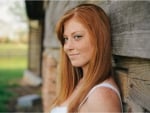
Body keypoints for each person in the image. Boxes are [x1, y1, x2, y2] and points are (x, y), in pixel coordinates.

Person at [50, 3, 122, 113]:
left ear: (99, 39)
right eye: (66, 39)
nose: (67, 47)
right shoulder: (80, 81)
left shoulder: (101, 96)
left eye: (77, 37)